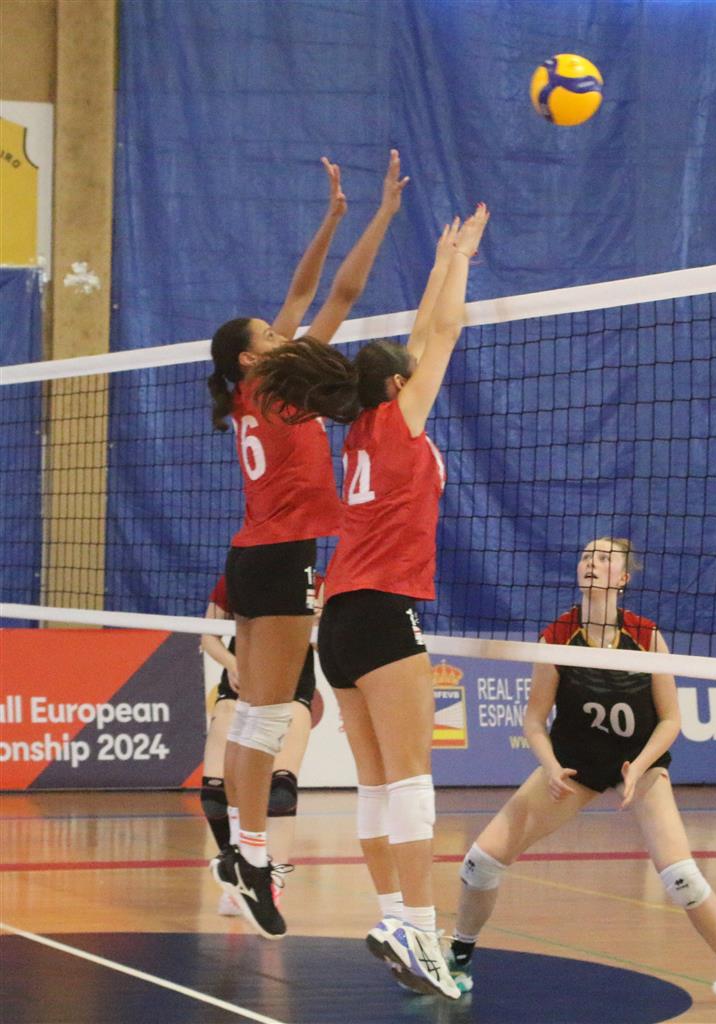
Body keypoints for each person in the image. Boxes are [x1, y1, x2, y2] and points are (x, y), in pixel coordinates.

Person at [251, 204, 490, 1000]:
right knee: (412, 781)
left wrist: (442, 260)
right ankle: (419, 928)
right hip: (385, 613)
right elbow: (441, 332)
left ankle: (395, 918)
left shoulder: (359, 429)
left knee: (378, 784)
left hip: (342, 623)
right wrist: (460, 262)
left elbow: (420, 337)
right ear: (397, 386)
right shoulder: (393, 421)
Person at [207, 150, 409, 940]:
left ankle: (241, 853)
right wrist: (379, 214)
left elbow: (300, 296)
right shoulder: (279, 381)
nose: (281, 325)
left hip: (249, 557)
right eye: (269, 332)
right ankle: (253, 858)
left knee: (250, 718)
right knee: (265, 719)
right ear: (252, 357)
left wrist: (333, 215)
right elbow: (335, 295)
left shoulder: (249, 397)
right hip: (285, 555)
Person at [444, 537, 716, 1010]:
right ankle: (458, 955)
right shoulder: (557, 636)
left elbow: (671, 719)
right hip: (575, 765)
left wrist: (639, 768)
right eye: (585, 556)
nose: (591, 563)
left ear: (623, 578)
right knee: (480, 863)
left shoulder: (646, 635)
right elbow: (534, 720)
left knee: (682, 877)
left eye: (603, 558)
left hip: (639, 763)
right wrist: (551, 767)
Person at [199, 574, 318, 917]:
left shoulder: (314, 581)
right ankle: (237, 872)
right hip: (242, 681)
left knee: (281, 792)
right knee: (214, 797)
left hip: (291, 683)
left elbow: (326, 638)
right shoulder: (239, 574)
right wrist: (232, 663)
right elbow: (208, 635)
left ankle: (271, 882)